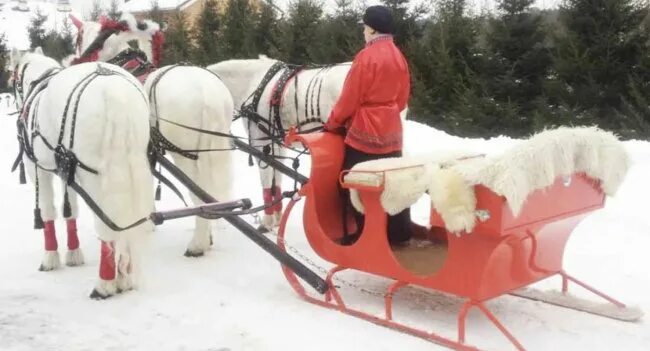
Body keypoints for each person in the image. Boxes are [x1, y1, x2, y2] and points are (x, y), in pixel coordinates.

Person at [324, 5, 413, 246]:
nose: (363, 32)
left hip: (365, 133)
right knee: (391, 182)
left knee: (351, 183)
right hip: (392, 132)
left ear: (372, 29)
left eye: (364, 28)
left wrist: (333, 123)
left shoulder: (366, 57)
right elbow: (402, 100)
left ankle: (365, 237)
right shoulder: (399, 56)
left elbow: (349, 99)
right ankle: (398, 233)